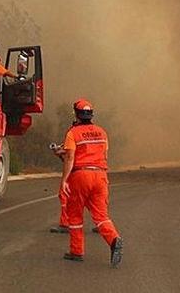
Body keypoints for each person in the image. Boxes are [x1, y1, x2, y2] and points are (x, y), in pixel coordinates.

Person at [60, 98, 123, 266]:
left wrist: (65, 180)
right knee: (101, 216)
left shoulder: (72, 133)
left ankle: (76, 251)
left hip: (81, 176)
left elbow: (70, 158)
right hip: (101, 175)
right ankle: (114, 239)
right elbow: (105, 156)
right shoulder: (102, 132)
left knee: (75, 214)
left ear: (76, 114)